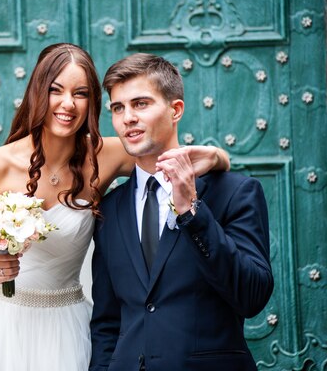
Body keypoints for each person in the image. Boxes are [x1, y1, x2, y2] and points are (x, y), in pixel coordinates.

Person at [0, 44, 230, 371]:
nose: (67, 104)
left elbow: (170, 155)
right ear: (38, 93)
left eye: (80, 93)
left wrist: (219, 157)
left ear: (92, 102)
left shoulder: (108, 155)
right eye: (55, 90)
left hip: (65, 324)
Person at [89, 53, 274, 371]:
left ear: (175, 110)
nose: (127, 118)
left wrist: (192, 211)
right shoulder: (109, 209)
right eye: (118, 108)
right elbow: (106, 324)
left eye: (141, 104)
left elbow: (252, 296)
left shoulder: (235, 192)